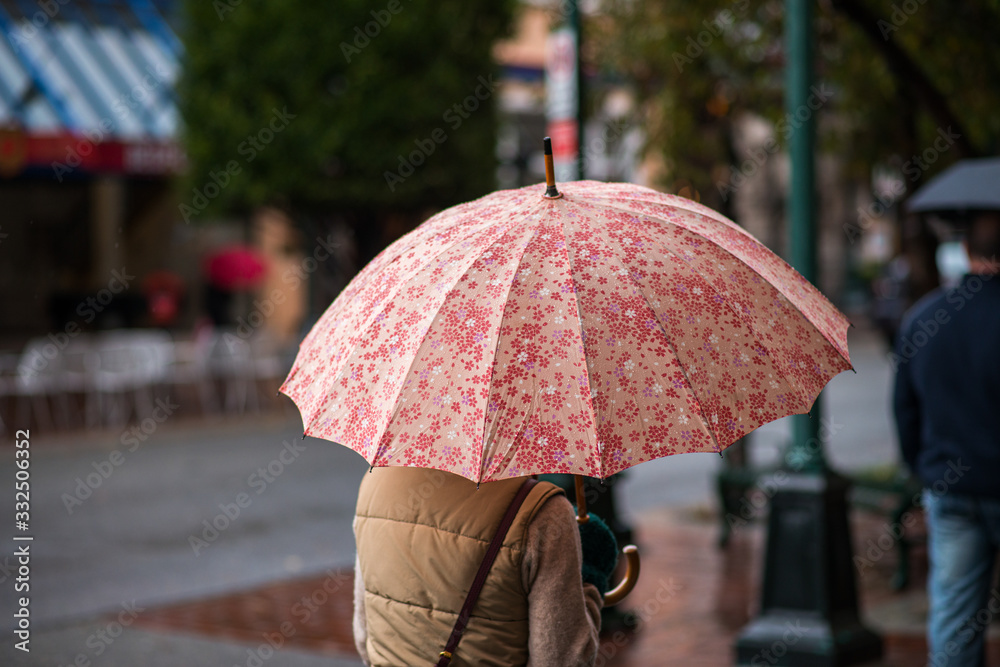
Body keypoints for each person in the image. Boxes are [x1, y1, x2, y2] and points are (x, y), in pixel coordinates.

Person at [352, 466, 617, 666]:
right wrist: (589, 584)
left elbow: (365, 636)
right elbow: (560, 658)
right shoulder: (543, 509)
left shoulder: (375, 481)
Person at [893, 212, 1000, 666]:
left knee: (955, 616)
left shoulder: (923, 318)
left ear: (967, 252)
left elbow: (904, 409)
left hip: (951, 487)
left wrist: (924, 469)